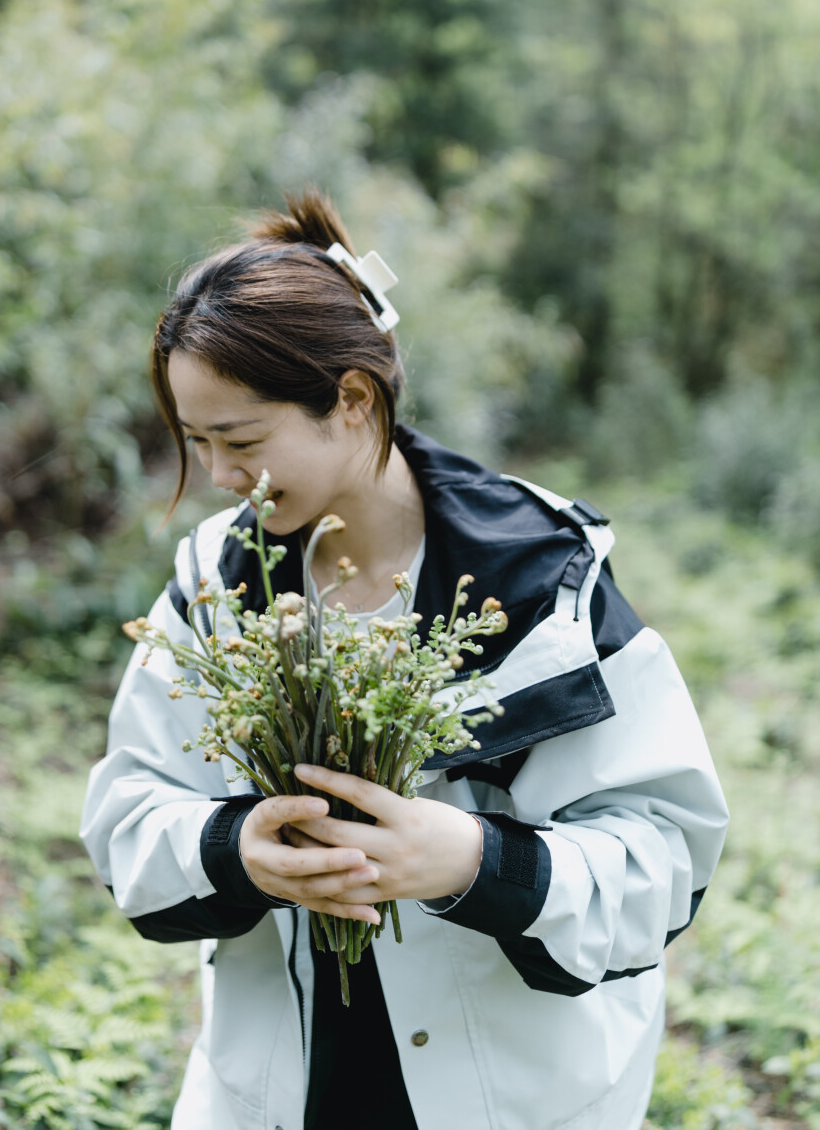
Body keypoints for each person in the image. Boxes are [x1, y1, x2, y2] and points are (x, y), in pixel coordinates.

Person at [80, 190, 729, 1130]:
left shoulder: (542, 581)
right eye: (199, 443)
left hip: (512, 1097)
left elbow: (665, 859)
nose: (220, 478)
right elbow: (128, 815)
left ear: (352, 399)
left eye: (243, 441)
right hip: (277, 1087)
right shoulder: (223, 582)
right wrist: (235, 850)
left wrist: (470, 859)